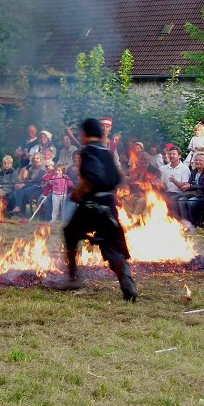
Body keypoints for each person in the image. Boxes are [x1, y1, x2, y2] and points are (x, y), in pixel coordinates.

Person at [60, 118, 138, 301]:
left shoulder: (88, 151)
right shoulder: (106, 151)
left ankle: (73, 278)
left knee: (70, 232)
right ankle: (127, 282)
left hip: (91, 206)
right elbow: (117, 177)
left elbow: (91, 179)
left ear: (86, 133)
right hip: (109, 205)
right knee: (110, 245)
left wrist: (77, 193)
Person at [159, 145, 189, 218]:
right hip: (167, 192)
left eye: (174, 154)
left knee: (172, 199)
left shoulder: (184, 169)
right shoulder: (165, 168)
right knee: (155, 197)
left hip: (179, 193)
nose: (171, 156)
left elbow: (184, 187)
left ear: (179, 156)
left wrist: (174, 181)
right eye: (170, 154)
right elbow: (163, 184)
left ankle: (178, 221)